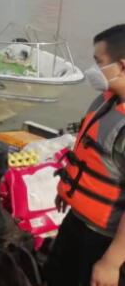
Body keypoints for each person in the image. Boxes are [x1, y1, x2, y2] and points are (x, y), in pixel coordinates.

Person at [45, 24, 125, 286]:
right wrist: (69, 189)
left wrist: (112, 262)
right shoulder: (108, 100)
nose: (93, 70)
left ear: (121, 66)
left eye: (99, 62)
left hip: (106, 239)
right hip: (78, 221)